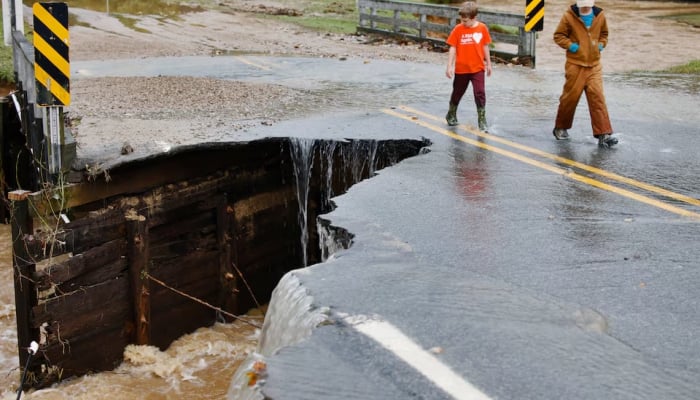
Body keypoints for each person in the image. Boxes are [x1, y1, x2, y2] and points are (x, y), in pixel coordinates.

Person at [552, 0, 617, 147]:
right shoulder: (568, 16)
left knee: (598, 97)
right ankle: (560, 128)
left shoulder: (600, 15)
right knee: (570, 98)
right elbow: (558, 36)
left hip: (594, 65)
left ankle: (604, 134)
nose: (586, 6)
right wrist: (572, 46)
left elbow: (604, 34)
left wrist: (601, 44)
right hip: (575, 65)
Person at [445, 1, 492, 131]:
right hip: (461, 69)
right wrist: (449, 66)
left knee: (480, 92)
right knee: (457, 93)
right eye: (462, 20)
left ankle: (482, 120)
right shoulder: (458, 29)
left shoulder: (482, 28)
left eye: (466, 21)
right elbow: (453, 48)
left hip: (477, 68)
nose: (463, 23)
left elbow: (485, 46)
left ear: (474, 18)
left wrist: (488, 63)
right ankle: (451, 113)